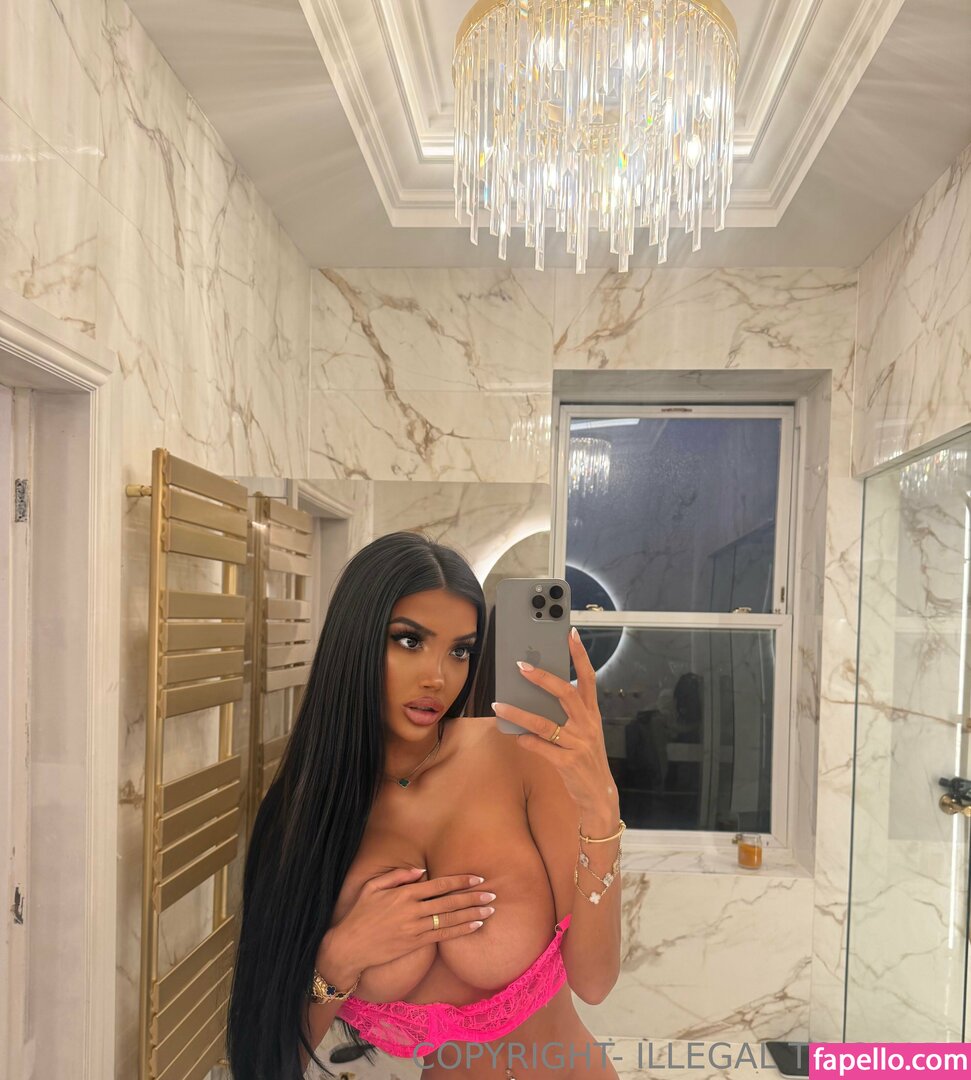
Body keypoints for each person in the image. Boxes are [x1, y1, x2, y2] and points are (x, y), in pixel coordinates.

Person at [226, 532, 624, 1080]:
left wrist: (601, 809)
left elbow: (595, 983)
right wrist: (341, 956)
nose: (438, 676)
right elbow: (269, 1060)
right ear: (356, 639)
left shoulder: (521, 757)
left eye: (460, 650)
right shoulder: (307, 814)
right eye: (409, 640)